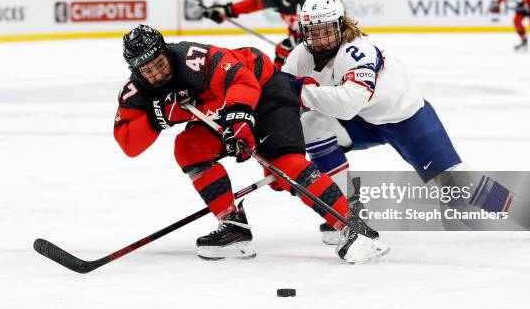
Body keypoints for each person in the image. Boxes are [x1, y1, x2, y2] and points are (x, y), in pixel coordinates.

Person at [282, 0, 530, 245]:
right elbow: (278, 98)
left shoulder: (357, 50)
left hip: (406, 118)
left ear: (340, 25)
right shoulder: (300, 57)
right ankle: (346, 211)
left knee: (459, 185)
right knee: (312, 125)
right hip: (364, 120)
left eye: (326, 30)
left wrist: (302, 91)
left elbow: (346, 104)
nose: (319, 39)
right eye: (313, 31)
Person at [113, 24, 389, 263]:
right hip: (220, 113)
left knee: (286, 166)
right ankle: (233, 225)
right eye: (147, 70)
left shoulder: (193, 58)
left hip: (265, 91)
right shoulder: (136, 92)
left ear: (166, 51)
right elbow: (128, 143)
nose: (158, 73)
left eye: (160, 62)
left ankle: (351, 225)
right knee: (188, 147)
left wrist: (240, 122)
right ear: (135, 71)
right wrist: (155, 119)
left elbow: (241, 78)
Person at [202, 0, 318, 70]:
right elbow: (252, 4)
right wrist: (226, 10)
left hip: (317, 36)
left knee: (286, 51)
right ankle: (280, 82)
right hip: (296, 36)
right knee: (282, 53)